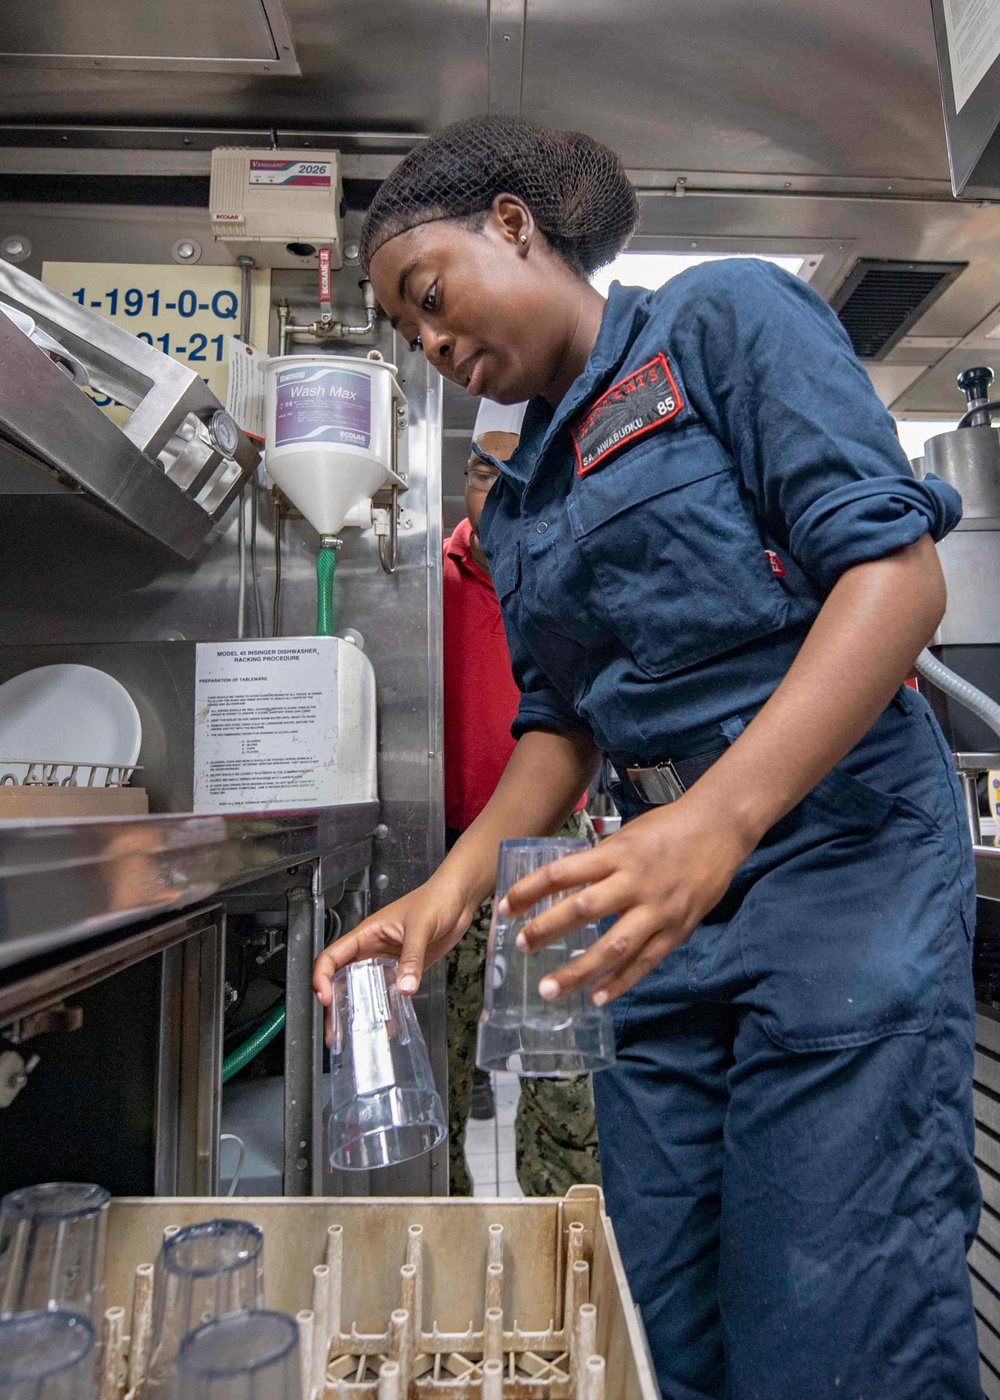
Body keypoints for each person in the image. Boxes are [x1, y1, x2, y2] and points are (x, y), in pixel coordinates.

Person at [314, 115, 980, 1400]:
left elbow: (894, 581)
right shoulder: (515, 497)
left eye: (432, 297)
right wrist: (444, 897)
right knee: (658, 1309)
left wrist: (716, 824)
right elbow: (561, 724)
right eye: (412, 336)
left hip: (833, 859)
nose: (436, 345)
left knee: (830, 1318)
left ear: (513, 223)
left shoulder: (720, 319)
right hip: (653, 910)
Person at [443, 406, 601, 1197]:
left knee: (565, 1067)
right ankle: (433, 1224)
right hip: (442, 852)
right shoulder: (425, 584)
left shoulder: (566, 579)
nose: (497, 494)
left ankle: (568, 1233)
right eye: (481, 474)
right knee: (437, 1065)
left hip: (554, 841)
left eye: (518, 476)